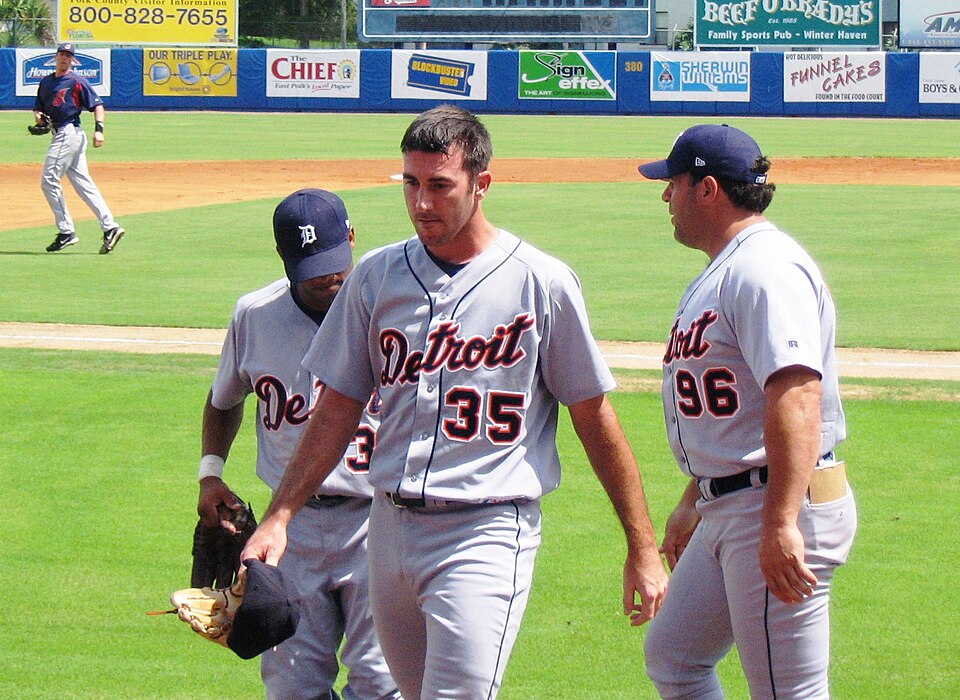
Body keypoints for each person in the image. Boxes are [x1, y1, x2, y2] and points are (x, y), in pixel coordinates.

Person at [241, 104, 668, 699]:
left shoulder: (540, 282)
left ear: (482, 184)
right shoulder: (375, 277)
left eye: (440, 185)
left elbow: (595, 419)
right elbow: (337, 407)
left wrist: (642, 547)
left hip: (486, 526)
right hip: (386, 527)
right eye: (410, 184)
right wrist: (281, 515)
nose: (421, 202)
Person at [637, 124, 857, 699]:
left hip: (773, 501)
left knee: (789, 692)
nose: (666, 196)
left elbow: (796, 393)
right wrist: (695, 499)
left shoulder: (764, 269)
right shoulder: (728, 267)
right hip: (733, 501)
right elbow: (737, 409)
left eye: (674, 183)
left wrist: (781, 522)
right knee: (674, 657)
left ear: (707, 189)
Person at [198, 188, 400, 700]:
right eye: (311, 269)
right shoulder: (255, 315)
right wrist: (210, 472)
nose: (329, 279)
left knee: (381, 684)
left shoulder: (393, 310)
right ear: (283, 259)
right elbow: (223, 400)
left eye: (335, 264)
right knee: (291, 687)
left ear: (353, 238)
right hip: (289, 528)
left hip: (380, 519)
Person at [33, 42, 124, 254]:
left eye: (69, 56)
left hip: (69, 134)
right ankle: (110, 226)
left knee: (48, 181)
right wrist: (39, 120)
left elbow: (97, 105)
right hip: (60, 133)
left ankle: (66, 231)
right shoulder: (46, 82)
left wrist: (99, 129)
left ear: (73, 60)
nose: (64, 58)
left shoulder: (76, 81)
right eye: (62, 54)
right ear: (55, 57)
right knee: (84, 185)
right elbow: (38, 110)